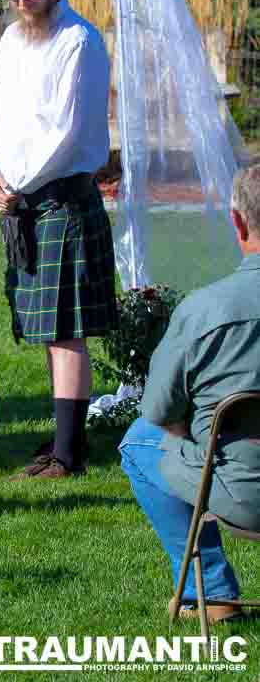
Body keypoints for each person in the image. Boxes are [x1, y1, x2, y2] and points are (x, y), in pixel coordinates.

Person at [0, 0, 117, 479]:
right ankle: (65, 437)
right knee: (44, 327)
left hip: (61, 197)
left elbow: (63, 132)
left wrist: (15, 185)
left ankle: (69, 452)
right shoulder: (14, 38)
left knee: (65, 331)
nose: (20, 4)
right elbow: (0, 115)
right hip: (20, 198)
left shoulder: (79, 41)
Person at [119, 164, 260, 624]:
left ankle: (213, 592)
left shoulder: (204, 310)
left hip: (240, 491)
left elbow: (159, 411)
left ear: (237, 223)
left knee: (138, 441)